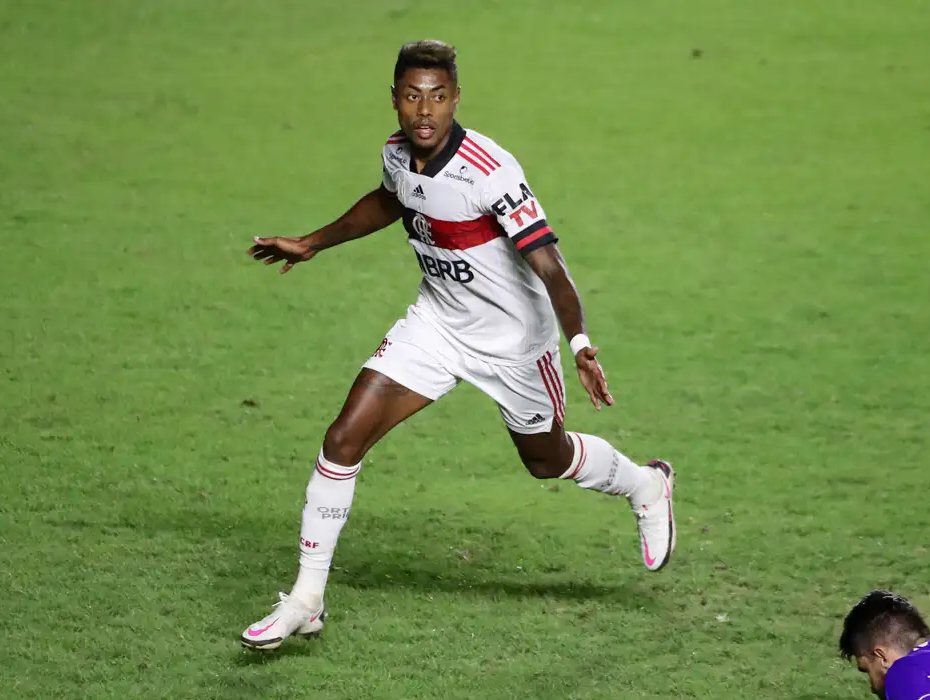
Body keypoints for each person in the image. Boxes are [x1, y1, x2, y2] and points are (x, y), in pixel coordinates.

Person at [239, 40, 676, 650]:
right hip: (437, 325)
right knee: (343, 439)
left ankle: (645, 485)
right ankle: (307, 599)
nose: (425, 110)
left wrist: (579, 343)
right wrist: (314, 242)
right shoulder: (397, 153)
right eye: (413, 96)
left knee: (544, 460)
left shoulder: (491, 171)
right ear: (394, 98)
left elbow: (552, 269)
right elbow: (391, 200)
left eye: (438, 97)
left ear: (455, 99)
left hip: (513, 341)